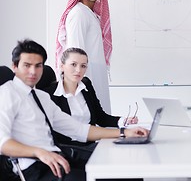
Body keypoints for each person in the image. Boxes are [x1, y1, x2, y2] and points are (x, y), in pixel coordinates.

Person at [0, 39, 148, 181]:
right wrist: (39, 152)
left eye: (38, 65)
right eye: (27, 65)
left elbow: (78, 129)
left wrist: (124, 132)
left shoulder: (42, 97)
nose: (33, 71)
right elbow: (3, 143)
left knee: (126, 171)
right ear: (14, 66)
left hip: (57, 158)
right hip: (33, 168)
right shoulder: (7, 94)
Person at [44, 47, 138, 168]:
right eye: (73, 64)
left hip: (90, 147)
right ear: (62, 66)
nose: (78, 70)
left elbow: (100, 118)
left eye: (83, 66)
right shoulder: (48, 94)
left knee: (131, 159)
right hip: (67, 151)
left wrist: (123, 121)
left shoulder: (86, 86)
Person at [56, 0, 112, 114]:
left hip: (95, 76)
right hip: (87, 78)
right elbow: (75, 52)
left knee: (102, 120)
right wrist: (82, 84)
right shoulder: (79, 13)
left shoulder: (90, 13)